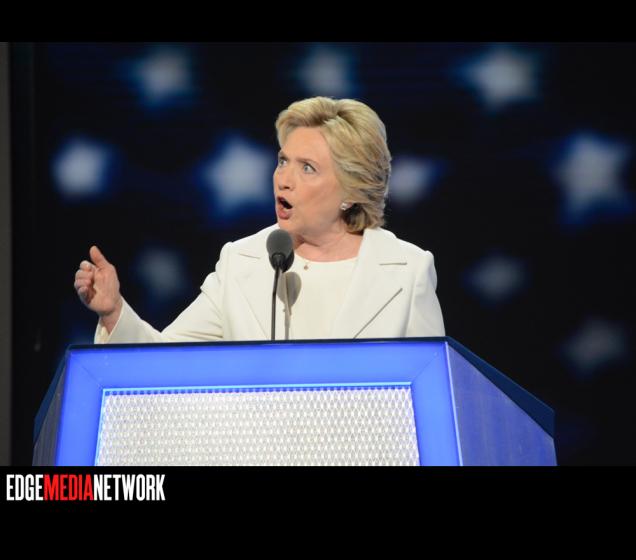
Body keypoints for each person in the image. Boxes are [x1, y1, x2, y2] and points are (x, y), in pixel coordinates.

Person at [74, 96, 445, 343]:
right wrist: (114, 312)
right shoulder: (241, 262)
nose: (283, 179)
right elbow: (168, 361)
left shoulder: (407, 270)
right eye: (283, 160)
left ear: (352, 189)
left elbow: (433, 391)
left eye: (307, 168)